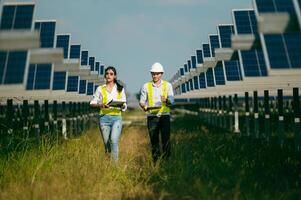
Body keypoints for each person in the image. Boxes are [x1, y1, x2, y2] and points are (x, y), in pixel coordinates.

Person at [90, 66, 127, 162]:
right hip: (104, 119)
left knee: (114, 140)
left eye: (111, 74)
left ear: (115, 76)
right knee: (107, 144)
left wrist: (122, 106)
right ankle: (107, 166)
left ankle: (115, 166)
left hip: (116, 118)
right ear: (105, 76)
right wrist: (100, 104)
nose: (109, 75)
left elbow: (124, 104)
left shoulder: (120, 89)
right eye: (107, 73)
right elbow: (92, 103)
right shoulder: (100, 89)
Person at [139, 62, 174, 162]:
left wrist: (166, 100)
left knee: (166, 140)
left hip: (164, 116)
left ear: (161, 74)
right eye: (153, 73)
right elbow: (142, 101)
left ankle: (167, 161)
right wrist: (144, 106)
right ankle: (156, 163)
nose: (155, 75)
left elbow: (172, 100)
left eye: (157, 73)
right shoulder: (146, 86)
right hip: (152, 117)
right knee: (154, 141)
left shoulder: (168, 86)